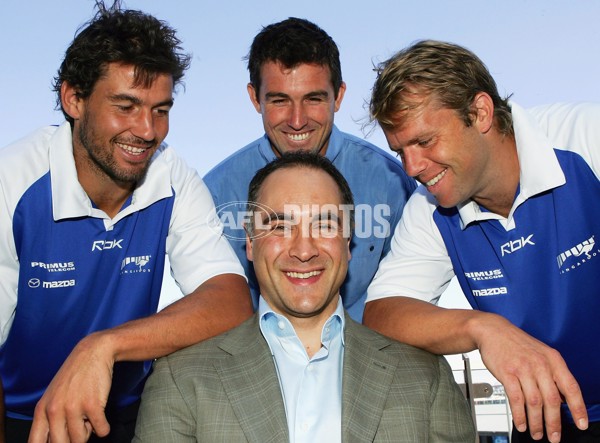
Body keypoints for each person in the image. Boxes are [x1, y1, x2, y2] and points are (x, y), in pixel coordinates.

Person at [0, 3, 252, 442]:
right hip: (23, 417)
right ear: (73, 99)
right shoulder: (13, 181)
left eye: (160, 109)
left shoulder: (172, 175)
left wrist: (103, 346)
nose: (148, 130)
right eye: (126, 105)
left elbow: (229, 300)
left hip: (129, 412)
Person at [133, 152, 475, 442]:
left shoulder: (426, 376)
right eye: (279, 226)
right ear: (250, 244)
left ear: (348, 242)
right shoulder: (181, 379)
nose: (303, 250)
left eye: (325, 225)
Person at [363, 39, 600, 443]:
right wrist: (483, 328)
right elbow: (382, 313)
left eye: (424, 141)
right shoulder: (429, 208)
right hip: (547, 421)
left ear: (480, 112)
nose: (413, 168)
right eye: (400, 151)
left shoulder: (584, 137)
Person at [203, 18, 416, 322]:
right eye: (280, 101)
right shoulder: (215, 193)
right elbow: (216, 304)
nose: (298, 120)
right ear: (254, 98)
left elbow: (410, 294)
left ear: (338, 96)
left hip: (367, 358)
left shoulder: (393, 181)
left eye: (313, 99)